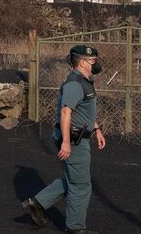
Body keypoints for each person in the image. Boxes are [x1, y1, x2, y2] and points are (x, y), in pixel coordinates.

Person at [22, 44, 106, 234]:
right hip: (74, 140)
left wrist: (97, 129)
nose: (96, 64)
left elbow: (85, 111)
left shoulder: (84, 82)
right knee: (81, 185)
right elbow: (66, 112)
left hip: (79, 137)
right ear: (83, 62)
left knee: (74, 178)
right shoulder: (74, 84)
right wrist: (66, 142)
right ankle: (75, 228)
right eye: (93, 61)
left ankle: (37, 204)